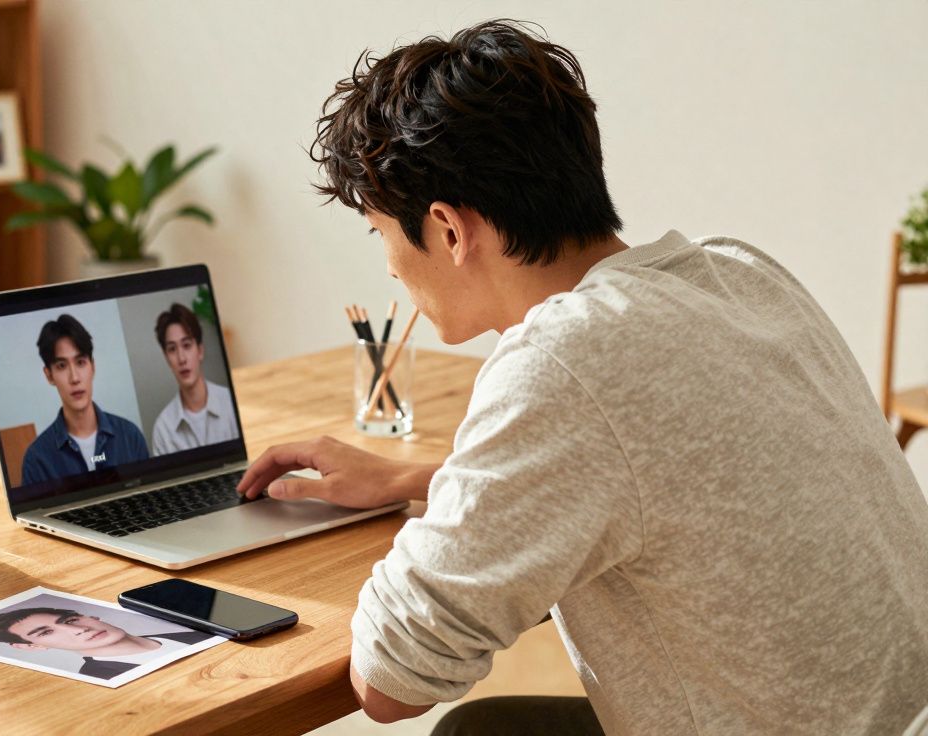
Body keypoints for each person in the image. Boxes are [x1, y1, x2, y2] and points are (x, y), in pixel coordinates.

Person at [236, 18, 928, 735]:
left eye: (380, 232)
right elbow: (666, 473)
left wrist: (443, 525)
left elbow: (390, 681)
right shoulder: (741, 273)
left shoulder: (565, 360)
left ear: (447, 229)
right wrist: (425, 480)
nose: (386, 265)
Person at [21, 314, 148, 485]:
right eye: (61, 366)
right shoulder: (37, 460)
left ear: (92, 367)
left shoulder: (130, 436)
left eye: (80, 362)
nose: (74, 378)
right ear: (49, 375)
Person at [0, 606, 211, 680]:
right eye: (44, 633)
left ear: (90, 616)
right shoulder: (101, 676)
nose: (78, 629)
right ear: (31, 646)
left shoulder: (195, 635)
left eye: (71, 619)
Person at [150, 303, 239, 454]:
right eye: (172, 349)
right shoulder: (162, 428)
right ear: (166, 358)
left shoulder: (230, 403)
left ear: (200, 350)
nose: (181, 358)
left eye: (187, 345)